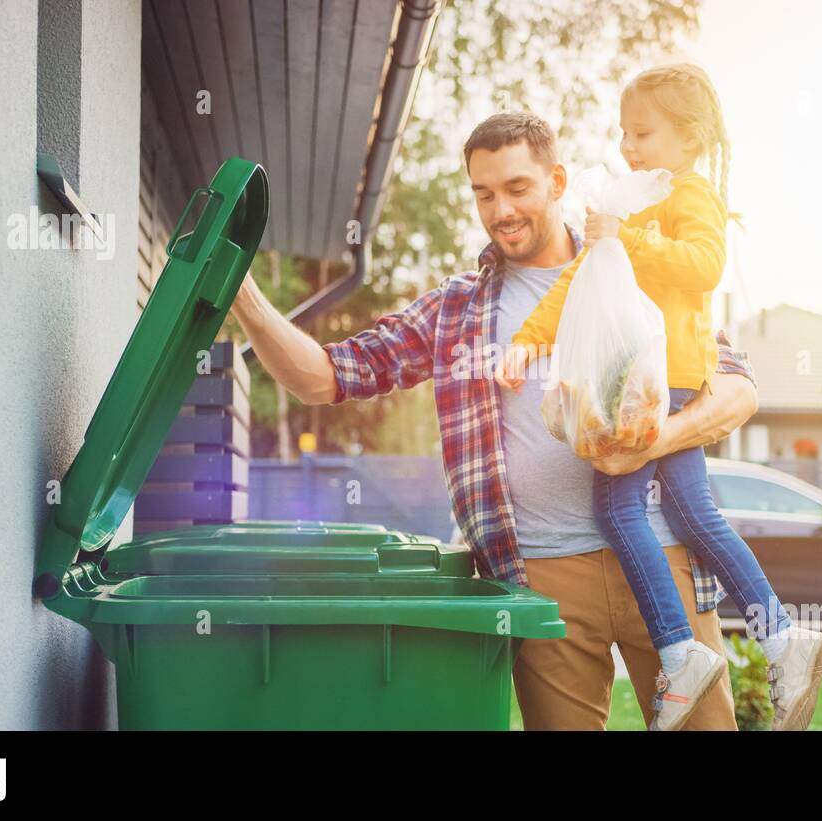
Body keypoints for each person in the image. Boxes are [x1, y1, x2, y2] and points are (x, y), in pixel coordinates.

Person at [232, 109, 757, 730]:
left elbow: (737, 391)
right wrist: (242, 290)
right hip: (540, 573)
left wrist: (651, 441)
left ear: (557, 182)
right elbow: (323, 377)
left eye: (516, 188)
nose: (500, 210)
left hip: (662, 553)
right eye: (483, 194)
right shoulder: (457, 309)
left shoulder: (636, 267)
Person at [499, 65, 822, 731]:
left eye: (643, 132)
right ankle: (781, 638)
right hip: (649, 371)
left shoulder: (691, 193)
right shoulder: (637, 196)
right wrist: (530, 338)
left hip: (668, 374)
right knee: (694, 512)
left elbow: (704, 264)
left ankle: (681, 651)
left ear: (690, 135)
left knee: (618, 507)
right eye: (623, 132)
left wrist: (631, 235)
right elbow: (581, 279)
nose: (628, 145)